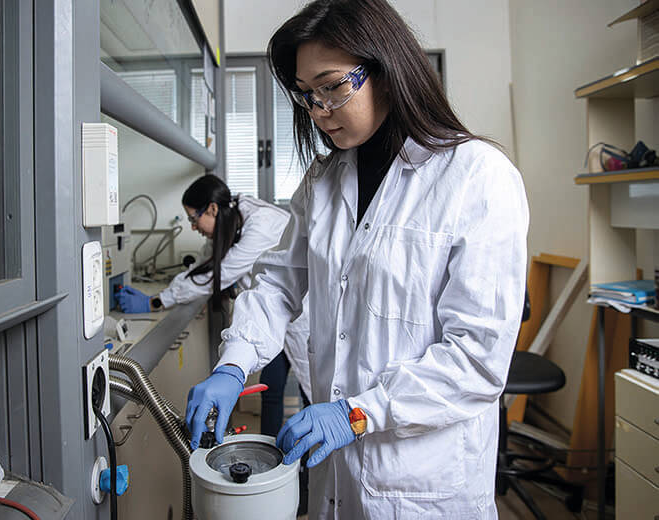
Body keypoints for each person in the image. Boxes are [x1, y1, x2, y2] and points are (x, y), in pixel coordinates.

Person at [185, 0, 529, 518]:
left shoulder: (476, 176)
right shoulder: (322, 183)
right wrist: (233, 365)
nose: (319, 110)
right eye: (306, 94)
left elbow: (477, 359)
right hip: (338, 473)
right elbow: (278, 285)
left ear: (386, 72)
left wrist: (358, 413)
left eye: (331, 87)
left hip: (422, 480)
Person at [116, 175, 312, 434]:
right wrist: (163, 295)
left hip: (300, 316)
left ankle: (306, 458)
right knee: (271, 388)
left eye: (193, 219)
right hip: (269, 318)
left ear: (212, 209)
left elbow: (216, 275)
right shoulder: (230, 220)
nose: (193, 227)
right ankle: (272, 450)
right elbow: (203, 265)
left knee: (311, 393)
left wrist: (158, 300)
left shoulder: (261, 226)